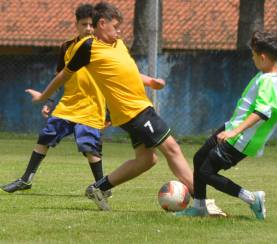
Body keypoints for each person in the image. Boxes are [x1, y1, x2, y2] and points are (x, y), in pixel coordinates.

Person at [23, 1, 197, 212]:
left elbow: (125, 71)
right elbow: (63, 75)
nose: (119, 30)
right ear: (102, 23)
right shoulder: (87, 48)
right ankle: (201, 201)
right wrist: (43, 96)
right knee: (172, 149)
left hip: (138, 108)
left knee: (146, 160)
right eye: (116, 26)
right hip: (133, 111)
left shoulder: (118, 43)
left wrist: (150, 81)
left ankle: (99, 188)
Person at [175, 31, 277, 220]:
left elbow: (262, 113)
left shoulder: (267, 81)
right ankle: (199, 207)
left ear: (262, 57)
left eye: (253, 55)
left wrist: (234, 132)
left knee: (205, 172)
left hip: (241, 138)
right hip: (233, 128)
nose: (252, 58)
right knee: (199, 158)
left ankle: (253, 199)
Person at [0, 4, 113, 196]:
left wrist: (110, 112)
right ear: (76, 25)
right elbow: (59, 76)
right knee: (45, 136)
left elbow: (112, 80)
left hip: (92, 107)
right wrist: (50, 101)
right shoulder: (67, 47)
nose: (88, 28)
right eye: (84, 24)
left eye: (91, 25)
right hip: (68, 105)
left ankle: (102, 188)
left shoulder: (103, 48)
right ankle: (26, 179)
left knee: (89, 148)